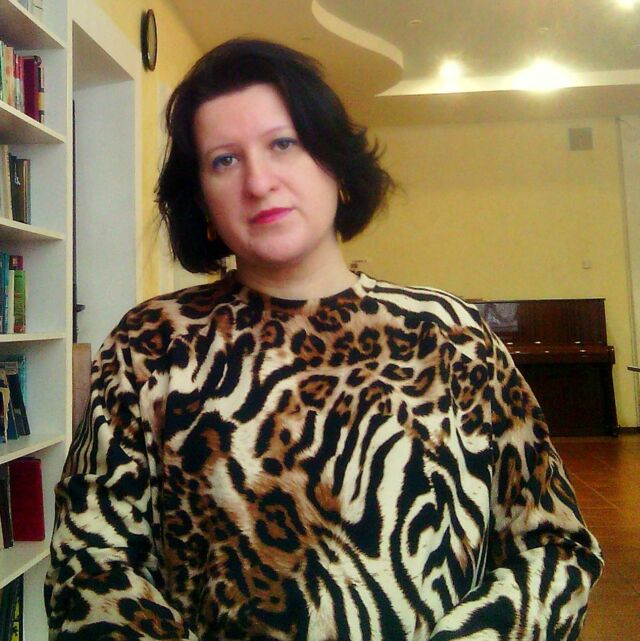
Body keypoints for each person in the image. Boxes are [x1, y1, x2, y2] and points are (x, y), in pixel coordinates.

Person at [46, 38, 603, 641]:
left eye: (283, 143)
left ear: (335, 165)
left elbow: (557, 550)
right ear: (202, 202)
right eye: (224, 160)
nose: (259, 181)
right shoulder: (152, 344)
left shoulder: (450, 334)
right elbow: (91, 565)